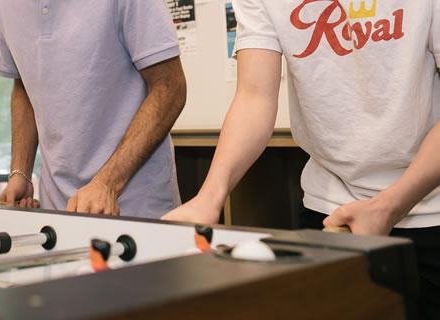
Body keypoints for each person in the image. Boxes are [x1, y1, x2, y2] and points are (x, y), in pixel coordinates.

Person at [162, 1, 440, 318]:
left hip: (431, 205)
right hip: (331, 209)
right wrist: (209, 196)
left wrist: (390, 204)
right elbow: (254, 96)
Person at [0, 0, 187, 217]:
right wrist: (20, 173)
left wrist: (107, 183)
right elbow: (23, 86)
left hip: (136, 208)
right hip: (56, 210)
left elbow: (169, 88)